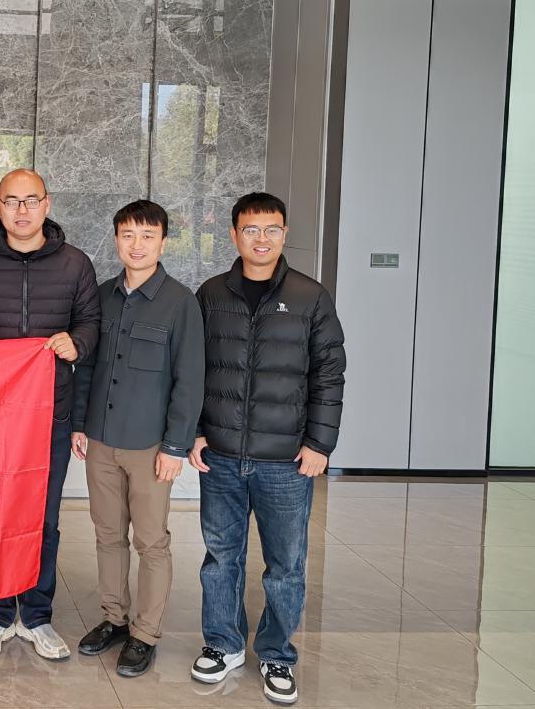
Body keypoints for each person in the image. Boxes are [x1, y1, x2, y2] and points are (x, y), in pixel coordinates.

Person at [188, 192, 346, 705]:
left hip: (287, 461)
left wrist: (320, 442)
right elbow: (191, 370)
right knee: (221, 558)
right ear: (234, 235)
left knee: (286, 565)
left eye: (271, 229)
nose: (261, 239)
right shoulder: (211, 294)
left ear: (284, 235)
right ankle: (223, 643)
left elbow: (329, 373)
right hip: (221, 454)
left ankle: (277, 652)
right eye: (251, 229)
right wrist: (194, 432)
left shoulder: (310, 297)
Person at [0, 168, 100, 661]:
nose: (21, 210)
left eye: (31, 200)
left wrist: (76, 342)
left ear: (46, 204)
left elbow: (90, 322)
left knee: (43, 519)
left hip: (49, 416)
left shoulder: (75, 264)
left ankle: (37, 615)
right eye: (12, 201)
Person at [70, 200, 204, 677]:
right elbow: (87, 366)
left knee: (151, 541)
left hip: (150, 446)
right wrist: (80, 423)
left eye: (148, 236)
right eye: (128, 235)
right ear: (116, 240)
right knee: (108, 535)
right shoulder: (101, 296)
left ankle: (145, 633)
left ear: (163, 243)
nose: (137, 245)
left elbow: (190, 379)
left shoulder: (181, 302)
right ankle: (114, 618)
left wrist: (175, 446)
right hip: (102, 439)